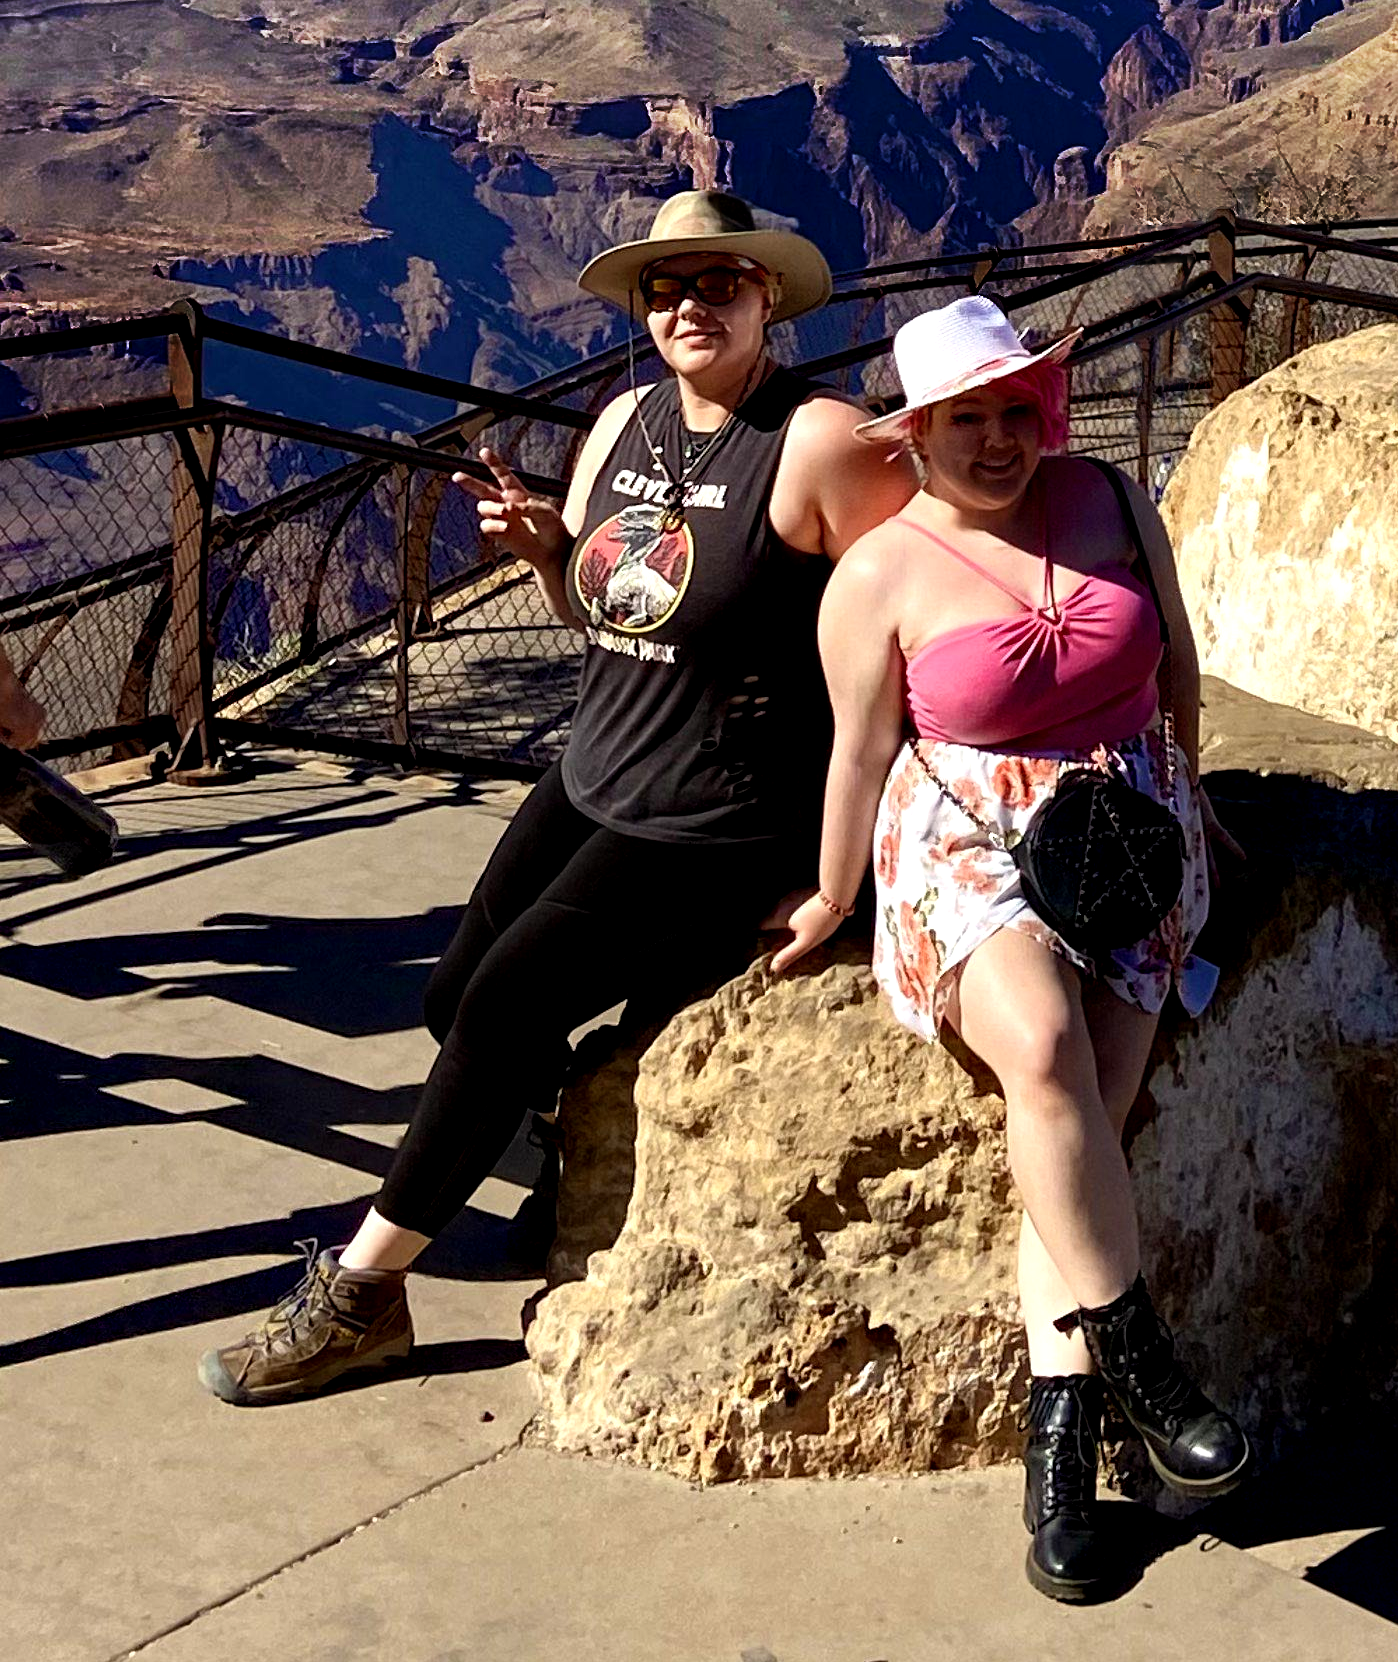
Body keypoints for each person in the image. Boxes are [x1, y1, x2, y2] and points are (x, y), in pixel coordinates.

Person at [198, 189, 912, 1406]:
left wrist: (851, 868)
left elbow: (903, 650)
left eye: (720, 281)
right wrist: (543, 551)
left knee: (505, 1012)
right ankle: (572, 1146)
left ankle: (364, 1295)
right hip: (594, 771)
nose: (691, 303)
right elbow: (613, 615)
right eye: (665, 286)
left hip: (716, 814)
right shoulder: (624, 420)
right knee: (448, 998)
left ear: (769, 298)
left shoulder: (820, 443)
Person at [772, 295, 1247, 1604]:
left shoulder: (1108, 500)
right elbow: (861, 753)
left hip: (1131, 823)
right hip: (967, 830)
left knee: (1084, 1115)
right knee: (1037, 1046)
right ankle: (1142, 1354)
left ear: (1044, 408)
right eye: (964, 420)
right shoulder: (878, 574)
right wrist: (828, 897)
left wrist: (1192, 790)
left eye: (1012, 411)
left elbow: (1180, 662)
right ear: (916, 436)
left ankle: (1059, 1467)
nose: (997, 440)